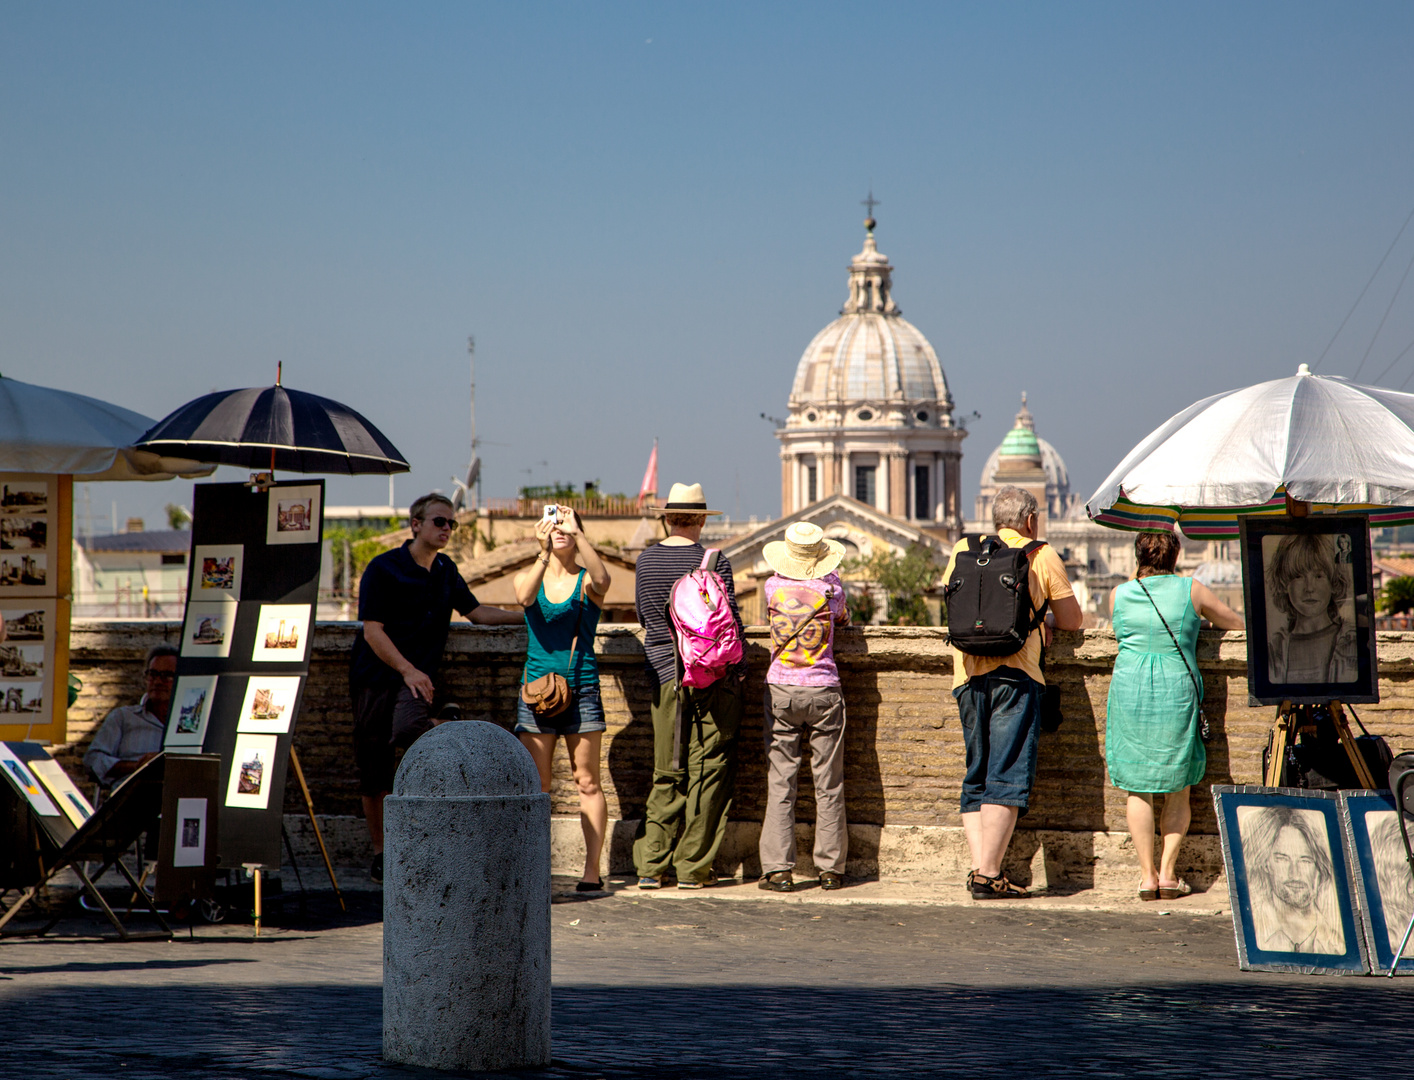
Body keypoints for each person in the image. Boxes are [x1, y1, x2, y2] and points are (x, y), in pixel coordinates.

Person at [350, 492, 522, 884]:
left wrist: (530, 618)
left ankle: (440, 721)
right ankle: (380, 851)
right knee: (373, 768)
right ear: (416, 525)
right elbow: (372, 631)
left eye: (451, 524)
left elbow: (477, 613)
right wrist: (408, 669)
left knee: (410, 732)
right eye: (438, 522)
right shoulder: (383, 568)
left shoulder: (446, 570)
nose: (446, 529)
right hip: (376, 677)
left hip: (415, 678)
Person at [942, 486, 1083, 899]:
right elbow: (1073, 620)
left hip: (966, 675)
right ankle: (988, 872)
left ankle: (978, 867)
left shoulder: (962, 550)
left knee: (977, 775)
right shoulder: (1041, 554)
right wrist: (1046, 623)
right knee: (1005, 775)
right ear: (1031, 520)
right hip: (1016, 674)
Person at [1105, 530, 1244, 901]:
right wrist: (1198, 625)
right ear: (1175, 556)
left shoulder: (1118, 594)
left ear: (1138, 555)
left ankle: (1146, 876)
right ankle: (1168, 873)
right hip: (1175, 689)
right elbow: (1236, 624)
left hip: (1130, 689)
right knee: (1178, 783)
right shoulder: (1191, 591)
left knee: (1138, 785)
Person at [631, 482, 745, 890]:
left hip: (665, 675)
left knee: (667, 769)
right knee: (710, 769)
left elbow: (647, 618)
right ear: (699, 520)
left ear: (666, 518)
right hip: (713, 677)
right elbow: (731, 624)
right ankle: (693, 867)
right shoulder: (714, 561)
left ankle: (650, 865)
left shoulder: (645, 561)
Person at [514, 504, 612, 894]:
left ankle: (591, 870)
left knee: (587, 781)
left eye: (566, 527)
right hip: (535, 693)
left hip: (582, 687)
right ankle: (536, 866)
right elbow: (523, 598)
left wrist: (579, 533)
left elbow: (604, 579)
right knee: (536, 786)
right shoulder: (529, 575)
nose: (559, 530)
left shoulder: (587, 581)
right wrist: (541, 551)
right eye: (553, 525)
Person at [757, 521, 851, 893]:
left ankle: (778, 869)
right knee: (829, 782)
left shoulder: (771, 587)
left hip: (781, 687)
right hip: (824, 689)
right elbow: (842, 619)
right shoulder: (831, 588)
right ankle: (830, 868)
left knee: (781, 780)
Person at [1243, 805, 1345, 953]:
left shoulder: (1336, 943)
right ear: (1265, 864)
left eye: (1305, 861)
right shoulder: (1255, 931)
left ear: (1318, 868)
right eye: (1282, 859)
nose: (1295, 874)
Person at [1265, 533, 1357, 684]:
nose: (1309, 588)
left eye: (1318, 576)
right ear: (1284, 584)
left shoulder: (1351, 642)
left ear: (1333, 583)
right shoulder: (1275, 650)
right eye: (1299, 576)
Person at [84, 644, 178, 784]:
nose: (158, 682)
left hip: (178, 796)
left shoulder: (194, 722)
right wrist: (136, 766)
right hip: (133, 796)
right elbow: (92, 760)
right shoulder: (123, 718)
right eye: (153, 674)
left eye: (167, 676)